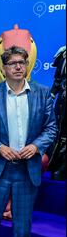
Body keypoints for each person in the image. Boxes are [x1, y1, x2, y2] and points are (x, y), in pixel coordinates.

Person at [0, 46, 56, 237]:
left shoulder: (43, 93)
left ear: (27, 65)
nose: (18, 67)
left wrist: (36, 146)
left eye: (22, 62)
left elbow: (51, 127)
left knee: (22, 229)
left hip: (27, 172)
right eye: (13, 63)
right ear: (4, 68)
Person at [48, 46, 66, 180]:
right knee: (60, 131)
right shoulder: (64, 54)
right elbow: (57, 81)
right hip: (63, 101)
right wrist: (51, 97)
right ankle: (57, 162)